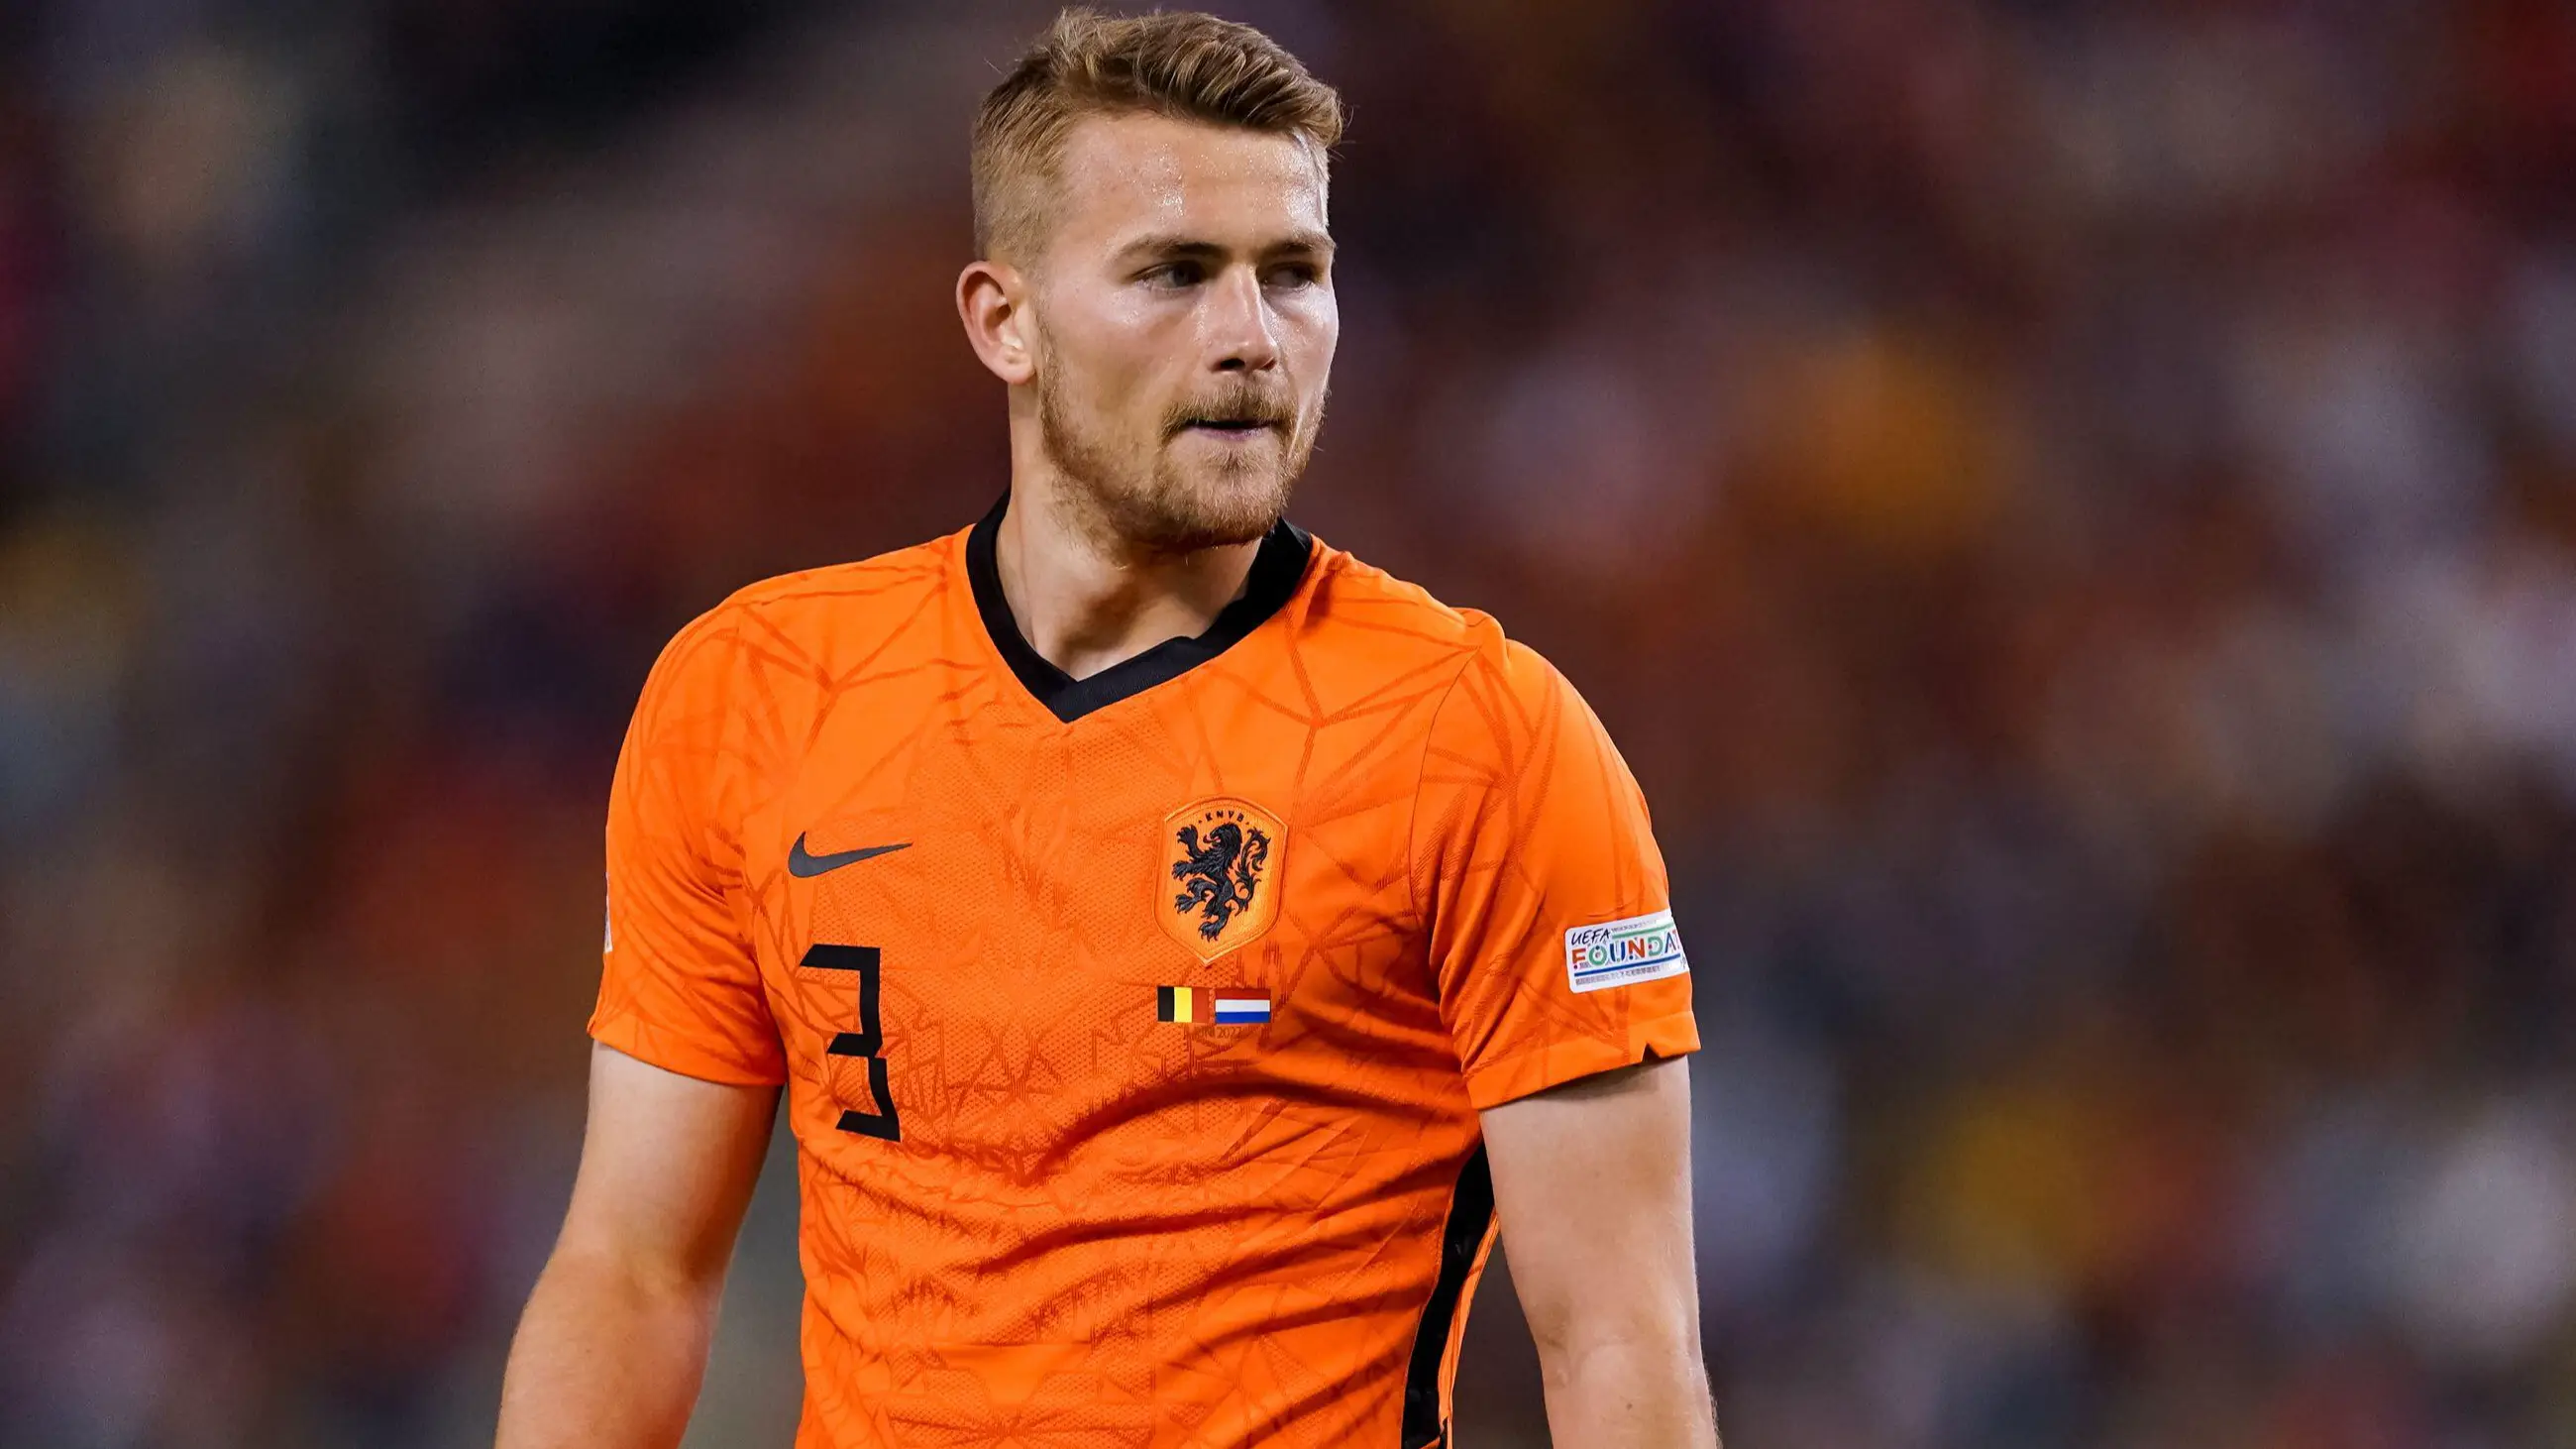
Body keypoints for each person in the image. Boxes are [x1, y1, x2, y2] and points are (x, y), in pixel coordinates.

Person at [494, 9, 1717, 1447]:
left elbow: (1619, 1336)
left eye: (1296, 275)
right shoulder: (752, 694)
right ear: (1002, 320)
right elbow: (634, 1269)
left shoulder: (1485, 740)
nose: (1254, 338)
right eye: (1178, 273)